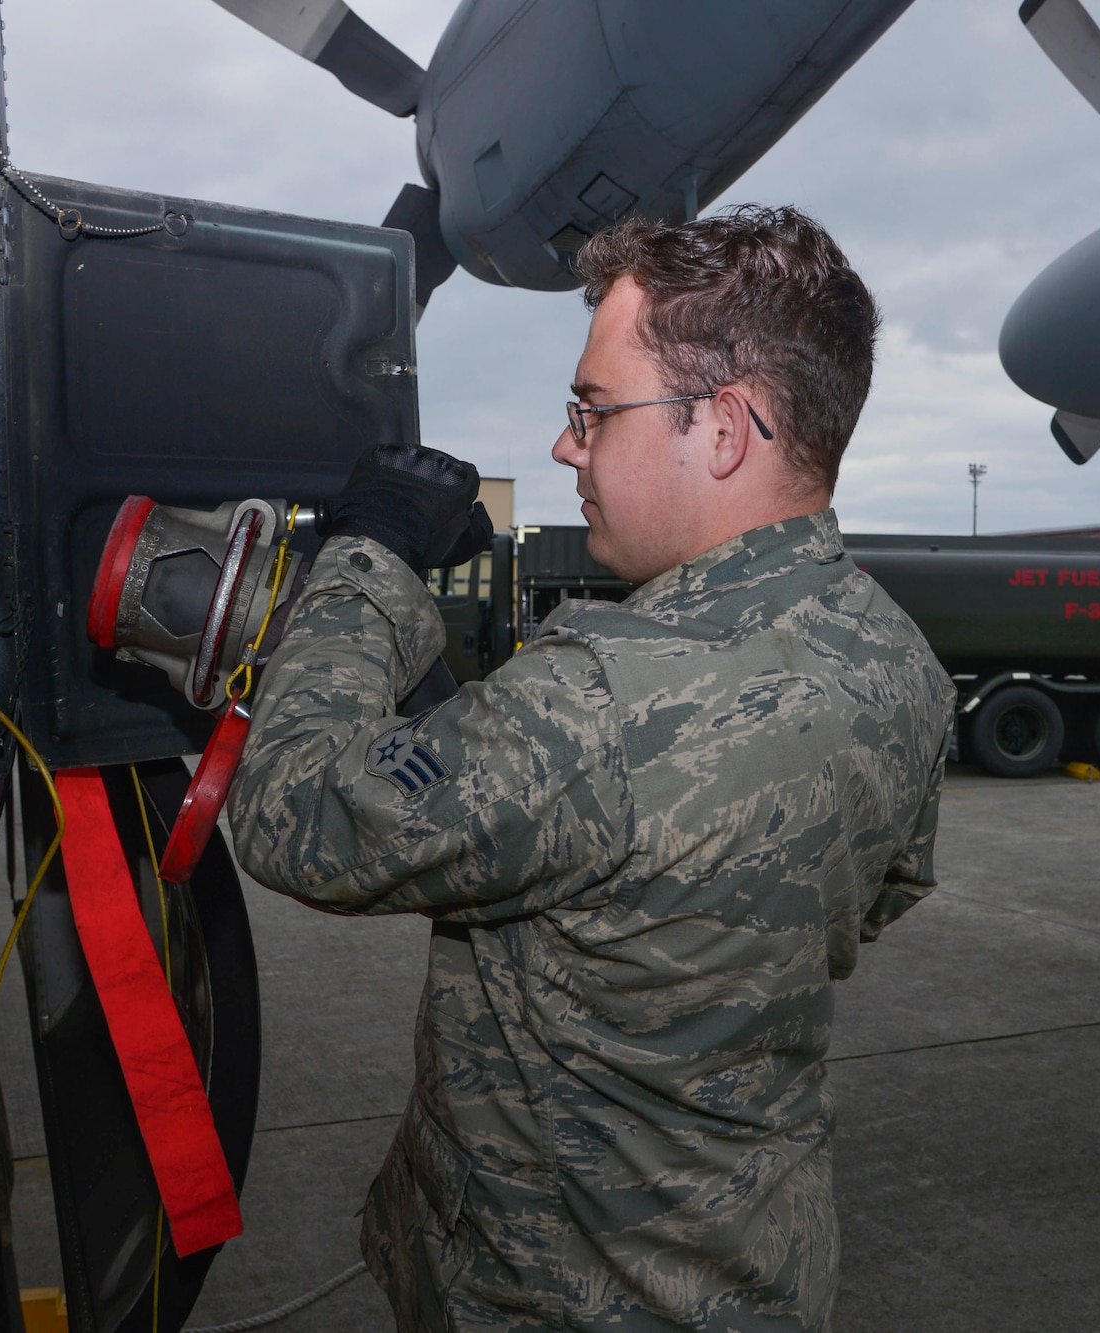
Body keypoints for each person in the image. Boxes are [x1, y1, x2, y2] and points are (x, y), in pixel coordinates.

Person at [229, 204, 955, 1332]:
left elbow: (292, 816)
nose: (569, 445)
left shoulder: (599, 700)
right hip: (748, 1269)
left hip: (552, 1289)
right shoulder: (892, 653)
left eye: (592, 411)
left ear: (723, 428)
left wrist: (366, 554)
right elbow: (879, 889)